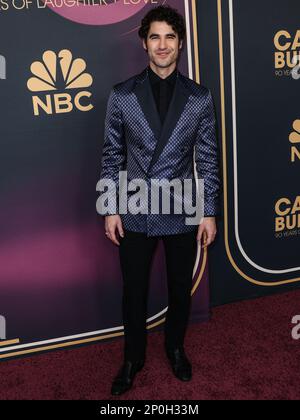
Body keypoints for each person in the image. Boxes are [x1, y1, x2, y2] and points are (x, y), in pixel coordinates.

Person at [98, 5, 220, 396]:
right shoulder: (121, 96)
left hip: (182, 206)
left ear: (180, 43)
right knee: (133, 289)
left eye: (170, 36)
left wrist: (209, 211)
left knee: (179, 285)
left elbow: (207, 159)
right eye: (155, 37)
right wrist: (110, 207)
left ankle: (175, 348)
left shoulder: (199, 98)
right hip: (134, 206)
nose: (163, 44)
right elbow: (111, 155)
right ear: (144, 43)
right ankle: (133, 357)